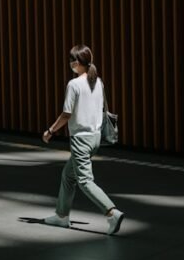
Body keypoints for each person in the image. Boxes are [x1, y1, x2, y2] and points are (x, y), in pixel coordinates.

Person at [42, 44, 124, 235]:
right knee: (68, 176)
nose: (70, 64)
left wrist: (50, 131)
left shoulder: (74, 84)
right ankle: (61, 216)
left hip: (81, 139)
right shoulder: (98, 82)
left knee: (85, 181)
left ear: (77, 63)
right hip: (96, 138)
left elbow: (66, 114)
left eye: (71, 61)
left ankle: (112, 213)